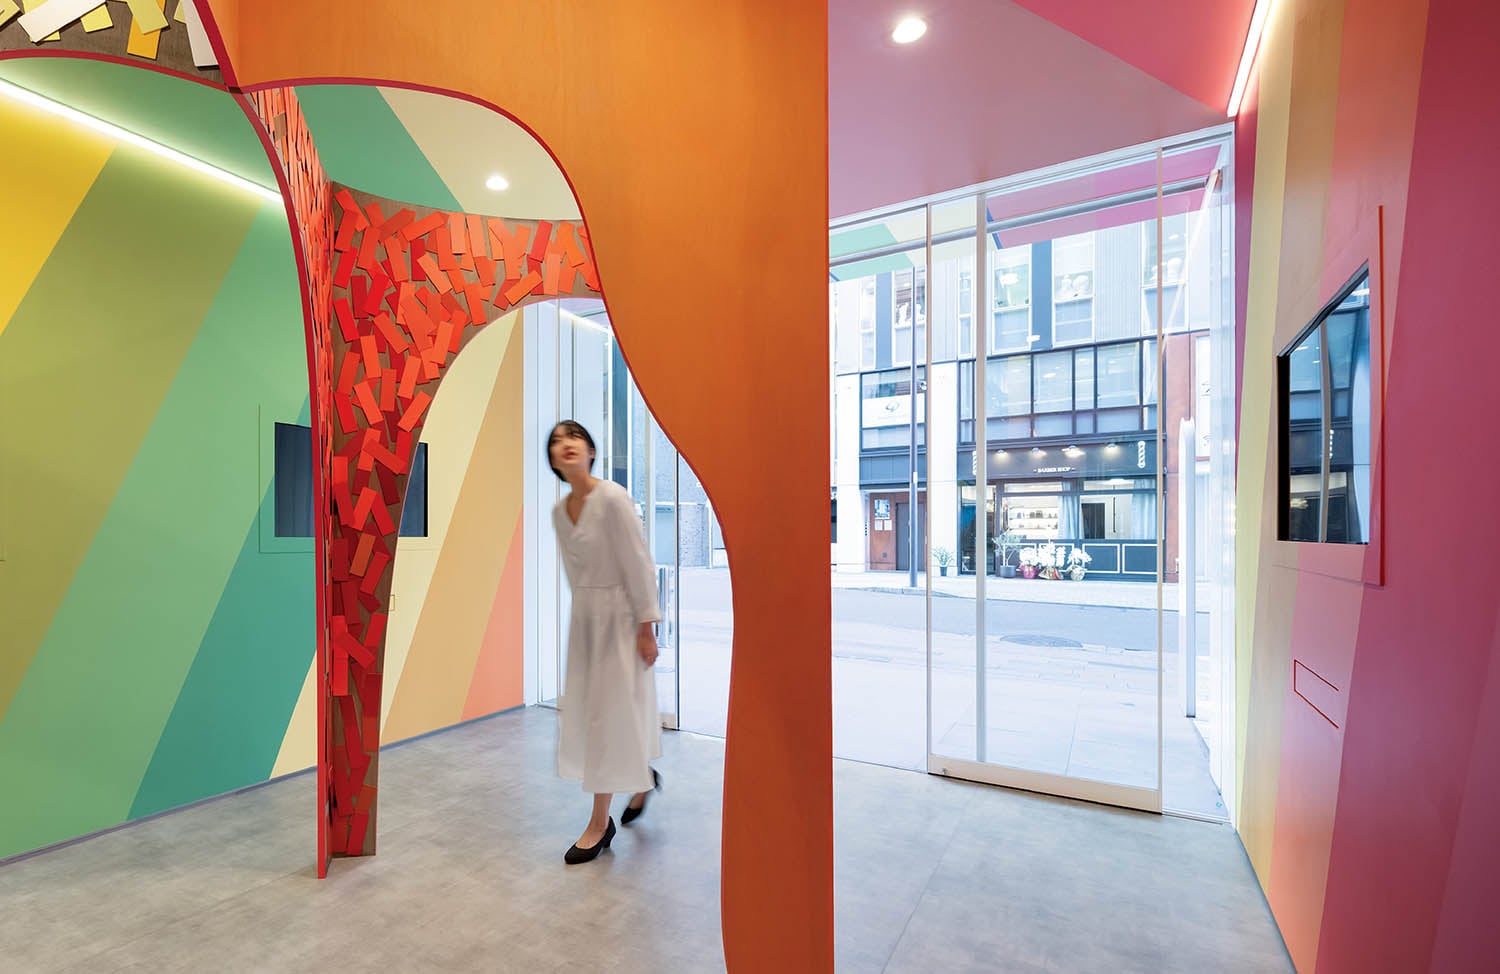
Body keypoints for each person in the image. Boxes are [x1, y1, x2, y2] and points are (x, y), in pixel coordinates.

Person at [547, 420, 664, 864]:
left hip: (620, 619)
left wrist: (646, 625)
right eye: (556, 441)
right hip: (586, 623)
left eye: (573, 436)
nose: (566, 445)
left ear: (591, 450)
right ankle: (640, 779)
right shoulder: (560, 513)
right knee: (601, 711)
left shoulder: (613, 498)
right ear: (554, 460)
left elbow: (638, 563)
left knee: (607, 716)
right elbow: (575, 575)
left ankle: (599, 823)